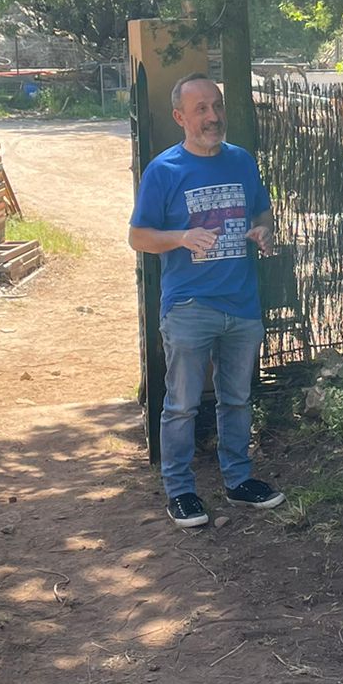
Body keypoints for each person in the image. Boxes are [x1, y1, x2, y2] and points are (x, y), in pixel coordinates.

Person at [129, 74, 284, 529]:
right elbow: (138, 235)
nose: (212, 116)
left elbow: (262, 210)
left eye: (216, 106)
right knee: (182, 405)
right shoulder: (164, 170)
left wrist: (263, 230)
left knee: (237, 400)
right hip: (189, 306)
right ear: (180, 117)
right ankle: (180, 491)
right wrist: (180, 236)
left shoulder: (241, 162)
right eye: (201, 109)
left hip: (242, 304)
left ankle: (238, 480)